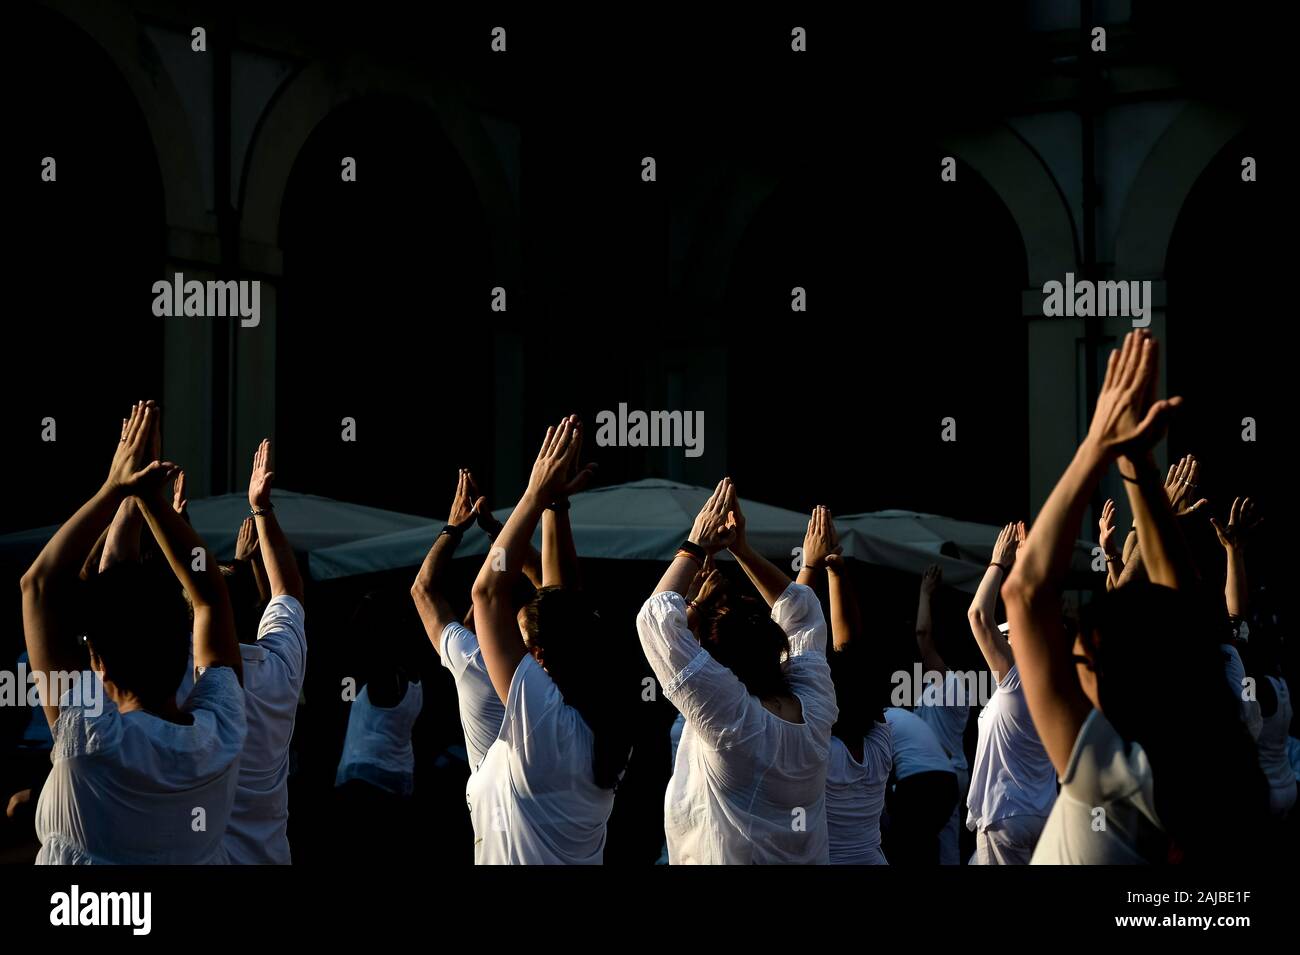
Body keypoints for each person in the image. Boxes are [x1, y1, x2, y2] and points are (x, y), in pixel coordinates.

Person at [1001, 330, 1268, 863]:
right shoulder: (1218, 762)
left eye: (1079, 656)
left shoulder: (1111, 777)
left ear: (1110, 674)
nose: (1072, 664)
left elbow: (1025, 593)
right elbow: (1182, 622)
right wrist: (1133, 465)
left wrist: (1100, 443)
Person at [23, 401, 246, 864]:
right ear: (186, 655)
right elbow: (210, 597)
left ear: (97, 661)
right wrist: (132, 497)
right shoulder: (220, 735)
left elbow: (40, 585)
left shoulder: (90, 741)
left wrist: (127, 492)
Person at [636, 482, 838, 863]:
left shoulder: (732, 715)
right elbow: (803, 613)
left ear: (721, 666)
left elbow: (655, 621)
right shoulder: (817, 706)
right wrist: (740, 548)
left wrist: (697, 545)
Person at [467, 416, 634, 864]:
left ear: (540, 654)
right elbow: (562, 605)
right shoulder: (598, 725)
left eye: (522, 640)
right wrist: (553, 505)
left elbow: (485, 594)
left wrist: (534, 495)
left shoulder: (545, 720)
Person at [178, 438, 306, 865]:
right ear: (254, 607)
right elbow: (287, 588)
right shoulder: (281, 664)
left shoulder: (187, 681)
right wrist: (262, 509)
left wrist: (174, 528)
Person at [964, 522, 1058, 864]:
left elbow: (977, 615)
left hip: (1006, 814)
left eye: (1008, 635)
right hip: (1042, 815)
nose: (1002, 639)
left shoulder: (1018, 679)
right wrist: (1027, 565)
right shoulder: (1054, 682)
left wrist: (997, 564)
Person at [810, 510, 893, 865]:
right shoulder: (879, 744)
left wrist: (815, 569)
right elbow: (854, 659)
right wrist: (834, 572)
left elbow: (852, 659)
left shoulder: (818, 751)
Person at [912, 563, 970, 864]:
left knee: (922, 841)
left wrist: (924, 593)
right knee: (948, 844)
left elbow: (923, 634)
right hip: (953, 769)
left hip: (941, 772)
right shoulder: (951, 687)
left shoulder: (950, 683)